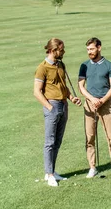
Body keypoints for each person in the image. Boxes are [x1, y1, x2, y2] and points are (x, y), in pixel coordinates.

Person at [33, 38, 81, 187]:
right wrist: (49, 107)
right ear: (53, 50)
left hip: (64, 104)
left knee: (58, 142)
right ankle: (49, 174)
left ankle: (52, 171)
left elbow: (63, 86)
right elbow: (36, 91)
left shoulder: (61, 65)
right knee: (49, 142)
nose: (64, 52)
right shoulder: (43, 67)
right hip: (52, 105)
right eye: (62, 49)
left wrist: (71, 98)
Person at [78, 37, 111, 178]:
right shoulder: (84, 65)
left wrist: (103, 100)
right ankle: (92, 167)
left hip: (106, 104)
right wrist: (92, 99)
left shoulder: (109, 65)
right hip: (89, 104)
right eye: (87, 50)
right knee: (90, 137)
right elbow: (81, 86)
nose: (89, 52)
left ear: (99, 47)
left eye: (91, 49)